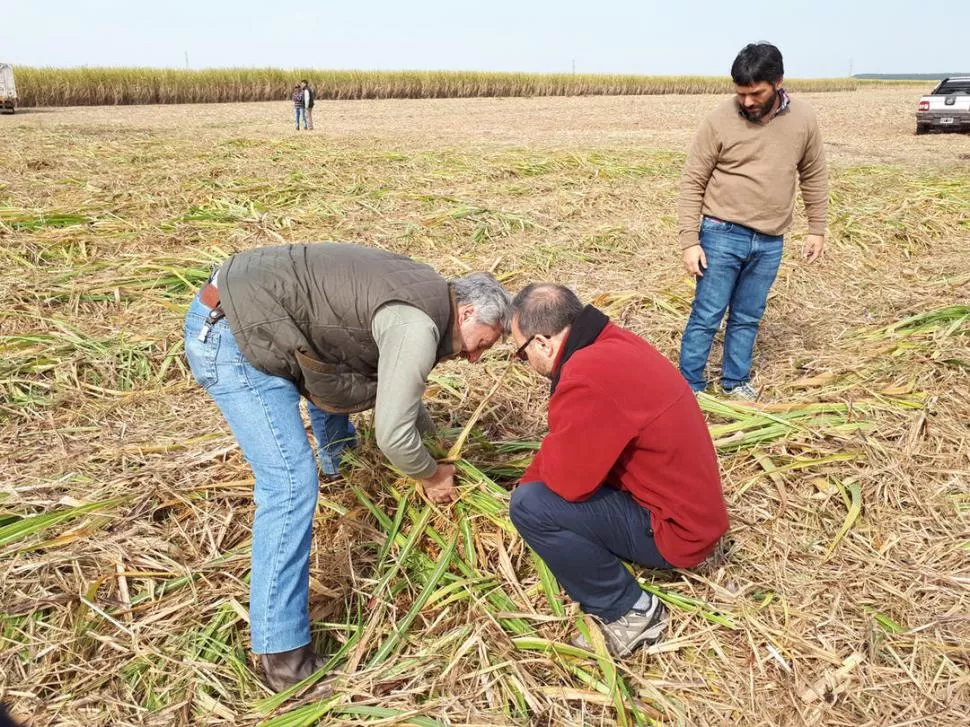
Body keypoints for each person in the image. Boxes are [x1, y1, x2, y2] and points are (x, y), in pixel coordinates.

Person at [183, 242, 511, 691]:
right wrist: (430, 474)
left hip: (263, 306)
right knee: (290, 486)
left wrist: (432, 442)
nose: (473, 358)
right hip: (236, 335)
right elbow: (393, 434)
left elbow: (395, 382)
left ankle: (342, 471)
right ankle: (283, 659)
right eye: (481, 346)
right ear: (469, 312)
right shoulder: (417, 326)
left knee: (344, 364)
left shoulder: (428, 292)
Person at [508, 284, 728, 658]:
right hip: (696, 511)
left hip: (677, 532)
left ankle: (629, 610)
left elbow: (568, 484)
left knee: (530, 506)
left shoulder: (585, 376)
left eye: (520, 352)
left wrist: (523, 486)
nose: (524, 362)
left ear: (543, 342)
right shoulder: (614, 343)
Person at [677, 42, 828, 400]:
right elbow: (693, 179)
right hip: (720, 234)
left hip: (770, 239)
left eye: (755, 93)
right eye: (740, 93)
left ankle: (735, 381)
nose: (746, 101)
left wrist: (816, 229)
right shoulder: (718, 120)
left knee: (747, 315)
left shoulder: (803, 119)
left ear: (778, 82)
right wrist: (689, 240)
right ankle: (690, 387)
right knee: (707, 315)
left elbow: (814, 174)